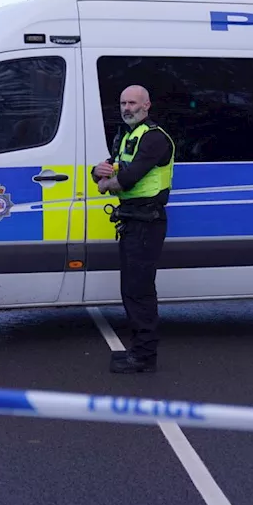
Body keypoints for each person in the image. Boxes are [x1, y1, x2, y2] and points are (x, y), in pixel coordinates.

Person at [93, 84, 175, 374]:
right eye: (123, 102)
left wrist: (105, 182)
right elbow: (109, 167)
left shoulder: (154, 138)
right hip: (131, 220)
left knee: (139, 291)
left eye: (133, 103)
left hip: (147, 221)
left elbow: (128, 178)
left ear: (147, 105)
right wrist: (98, 174)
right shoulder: (126, 134)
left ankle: (144, 356)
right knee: (130, 288)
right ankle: (137, 351)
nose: (127, 108)